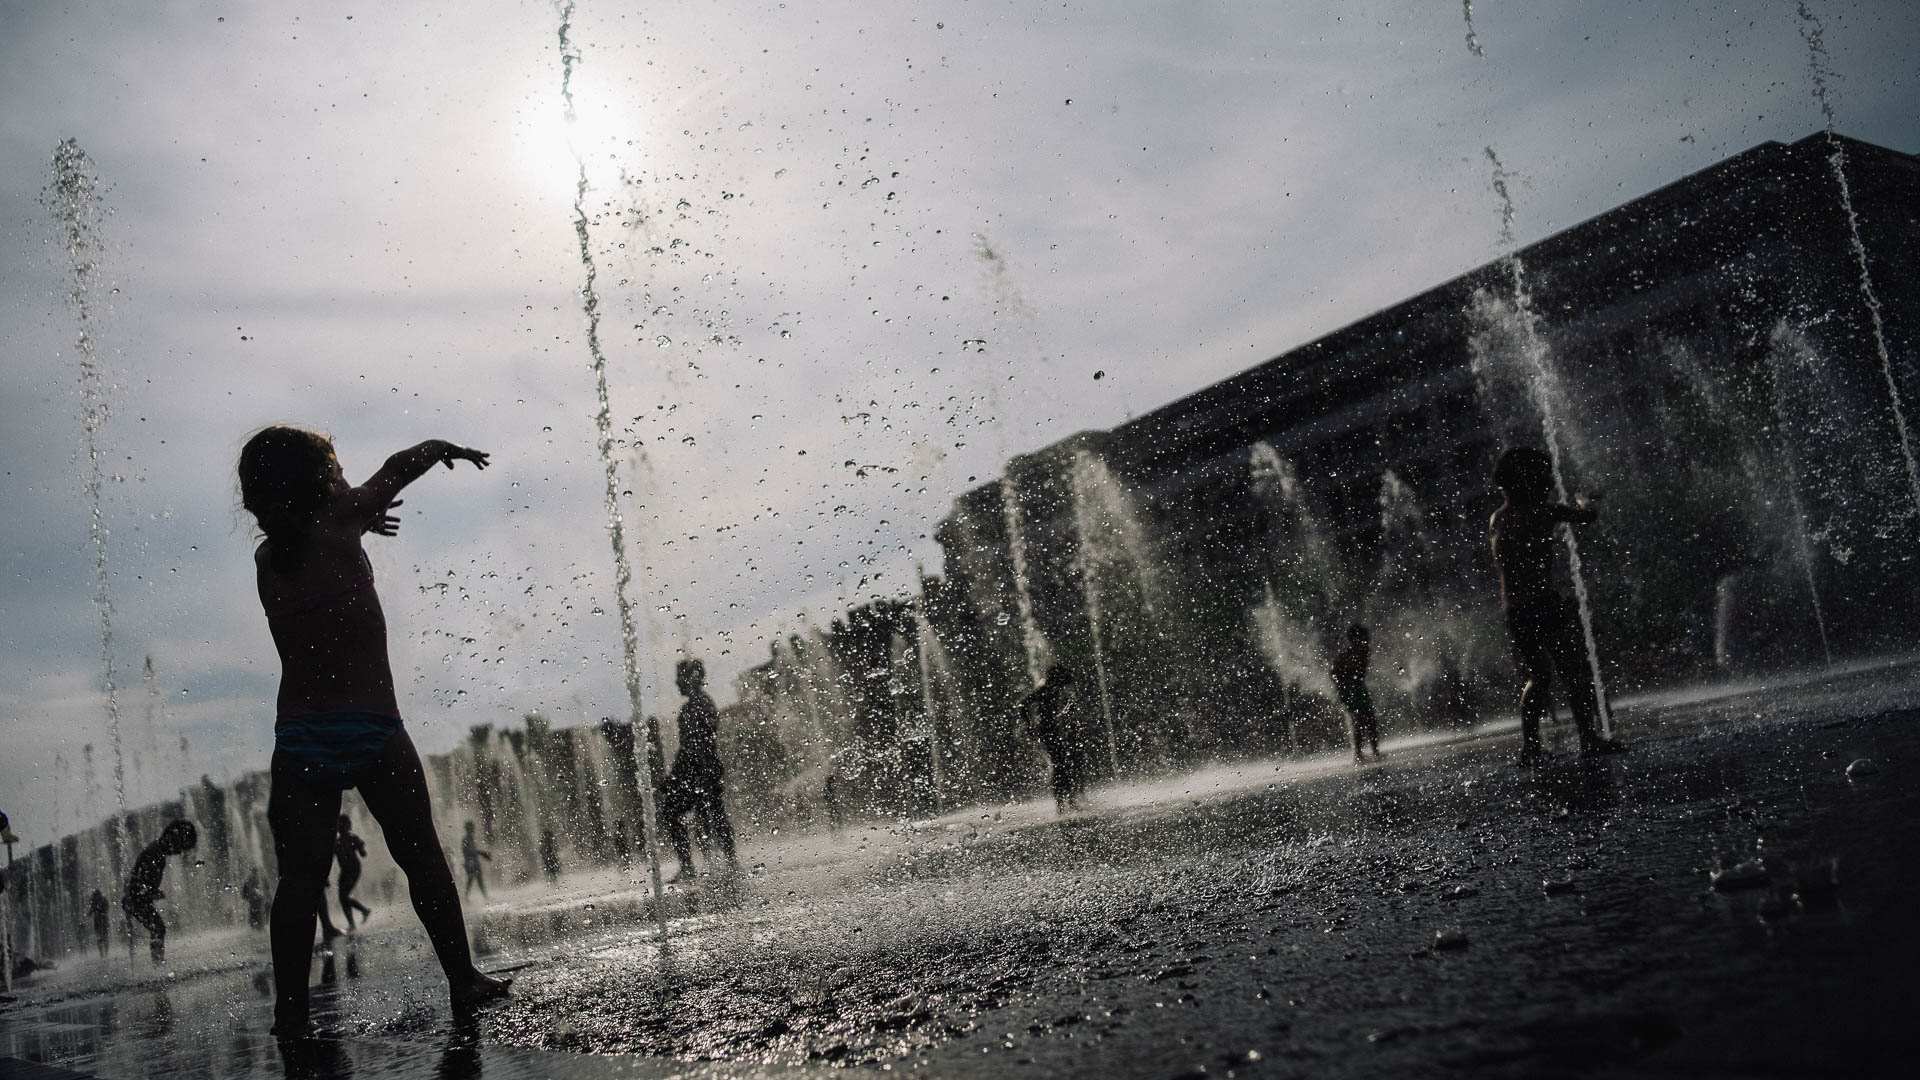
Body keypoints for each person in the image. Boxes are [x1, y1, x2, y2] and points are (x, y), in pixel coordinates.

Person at [239, 426, 508, 1034]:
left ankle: (291, 1013)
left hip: (301, 739)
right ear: (319, 482)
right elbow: (395, 465)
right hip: (374, 728)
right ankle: (462, 980)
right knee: (423, 858)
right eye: (335, 468)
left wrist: (358, 523)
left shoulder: (270, 556)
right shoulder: (341, 523)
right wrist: (444, 447)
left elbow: (326, 530)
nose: (344, 476)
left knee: (301, 880)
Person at [1489, 447, 1624, 764]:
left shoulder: (1499, 518)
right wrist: (1584, 501)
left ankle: (1531, 748)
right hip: (1543, 604)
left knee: (1539, 677)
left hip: (1515, 611)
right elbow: (1586, 516)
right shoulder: (1543, 512)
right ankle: (1588, 740)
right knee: (1574, 672)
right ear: (1533, 482)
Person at [660, 658, 738, 882]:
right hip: (702, 768)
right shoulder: (703, 703)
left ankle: (697, 866)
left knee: (684, 813)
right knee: (712, 814)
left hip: (699, 770)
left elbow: (693, 746)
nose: (676, 683)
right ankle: (726, 862)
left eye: (679, 677)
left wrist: (676, 776)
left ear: (690, 678)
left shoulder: (698, 705)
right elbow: (692, 745)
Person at [121, 819, 196, 964]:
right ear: (171, 839)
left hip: (137, 898)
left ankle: (157, 962)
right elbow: (139, 883)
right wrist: (152, 892)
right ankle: (157, 963)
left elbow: (140, 879)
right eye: (179, 848)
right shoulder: (155, 854)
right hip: (136, 899)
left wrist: (151, 891)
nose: (178, 852)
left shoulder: (156, 852)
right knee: (158, 929)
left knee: (158, 929)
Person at [1020, 664, 1087, 814]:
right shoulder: (1045, 690)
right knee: (1060, 766)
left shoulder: (1055, 690)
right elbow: (1023, 704)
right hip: (1048, 731)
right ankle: (1062, 804)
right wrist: (1030, 726)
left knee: (1063, 765)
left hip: (1055, 730)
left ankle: (1068, 801)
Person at [1330, 624, 1381, 764]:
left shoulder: (1360, 652)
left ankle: (1368, 752)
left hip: (1356, 687)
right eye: (1364, 638)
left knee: (1367, 720)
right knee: (1364, 719)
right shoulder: (1349, 655)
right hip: (1351, 688)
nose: (1368, 640)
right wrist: (1343, 689)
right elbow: (1334, 672)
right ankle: (1362, 753)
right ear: (1356, 639)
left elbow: (1355, 672)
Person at [334, 814, 373, 930]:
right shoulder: (337, 841)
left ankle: (364, 911)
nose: (341, 827)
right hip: (345, 871)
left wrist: (361, 850)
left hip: (354, 870)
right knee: (342, 898)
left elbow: (362, 852)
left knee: (344, 897)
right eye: (339, 825)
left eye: (343, 824)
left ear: (348, 825)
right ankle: (352, 923)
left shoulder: (352, 838)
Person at [461, 822, 491, 899]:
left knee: (478, 879)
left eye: (472, 828)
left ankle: (484, 897)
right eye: (471, 828)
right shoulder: (466, 839)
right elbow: (469, 851)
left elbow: (471, 851)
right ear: (468, 829)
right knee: (472, 879)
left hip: (473, 861)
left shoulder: (470, 839)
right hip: (470, 862)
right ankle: (467, 897)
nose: (473, 829)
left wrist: (482, 854)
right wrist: (482, 853)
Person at [88, 889, 112, 957]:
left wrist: (92, 912)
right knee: (103, 937)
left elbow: (91, 910)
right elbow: (107, 908)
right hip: (102, 920)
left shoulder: (96, 901)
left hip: (100, 921)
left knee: (101, 937)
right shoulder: (100, 900)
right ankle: (103, 953)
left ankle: (103, 953)